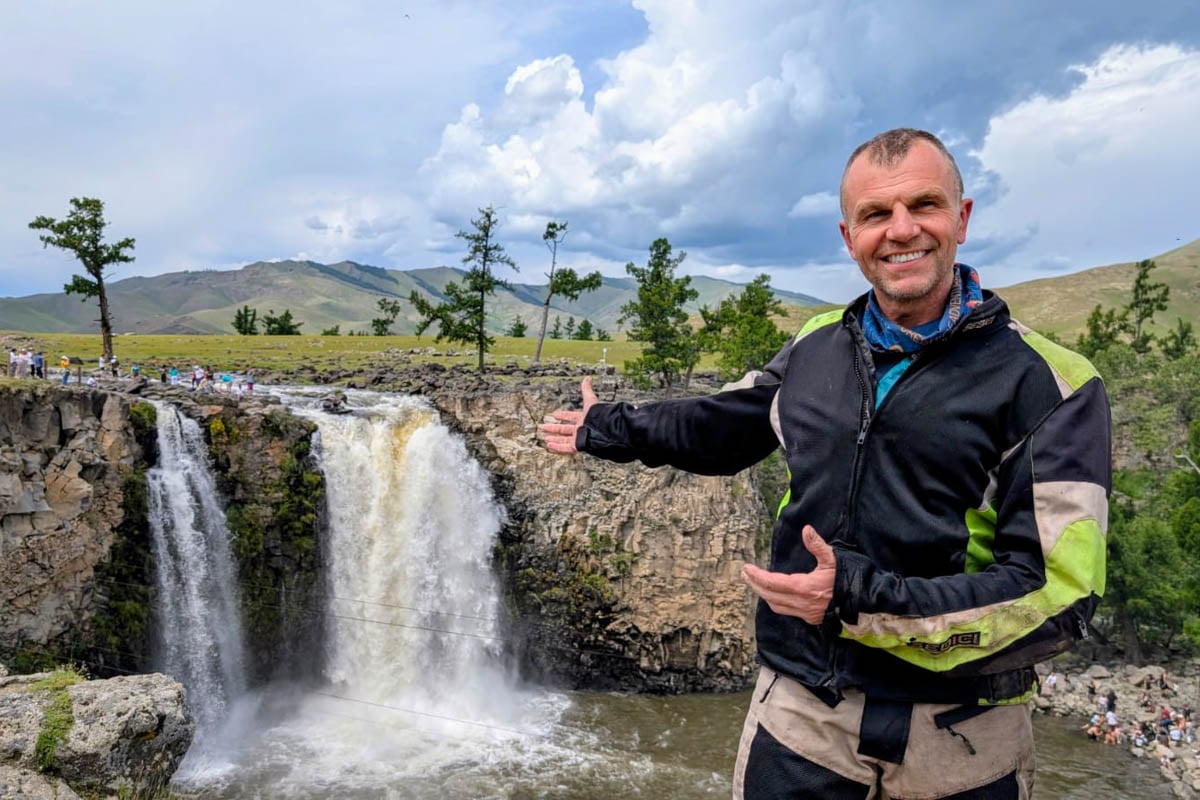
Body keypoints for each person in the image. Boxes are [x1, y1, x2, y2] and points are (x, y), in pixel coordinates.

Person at [540, 128, 1110, 799]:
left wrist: (857, 600)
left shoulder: (1052, 384)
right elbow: (725, 425)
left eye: (923, 205)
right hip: (802, 715)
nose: (901, 231)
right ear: (849, 237)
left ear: (961, 218)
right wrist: (607, 427)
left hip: (961, 738)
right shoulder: (816, 346)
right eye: (875, 215)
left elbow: (1060, 596)